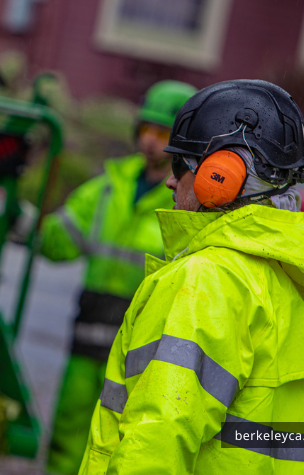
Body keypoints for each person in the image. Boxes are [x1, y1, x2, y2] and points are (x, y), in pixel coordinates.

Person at [77, 79, 304, 474]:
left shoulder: (207, 280)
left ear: (220, 178)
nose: (170, 181)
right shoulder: (289, 283)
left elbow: (159, 436)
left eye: (181, 165)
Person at [40, 80, 197, 475]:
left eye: (162, 133)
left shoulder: (187, 202)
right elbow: (58, 240)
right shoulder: (110, 188)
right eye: (146, 129)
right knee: (69, 431)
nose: (149, 141)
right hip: (87, 340)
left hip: (142, 354)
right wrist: (24, 223)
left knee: (127, 442)